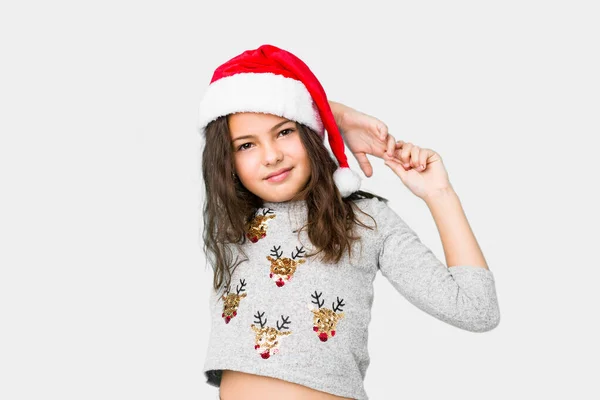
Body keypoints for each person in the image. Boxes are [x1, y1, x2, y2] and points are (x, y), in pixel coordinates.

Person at [197, 44, 500, 400]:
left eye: (285, 132)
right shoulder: (232, 223)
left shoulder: (364, 220)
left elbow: (477, 310)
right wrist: (333, 116)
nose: (272, 155)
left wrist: (440, 195)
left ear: (308, 132)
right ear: (227, 161)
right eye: (246, 145)